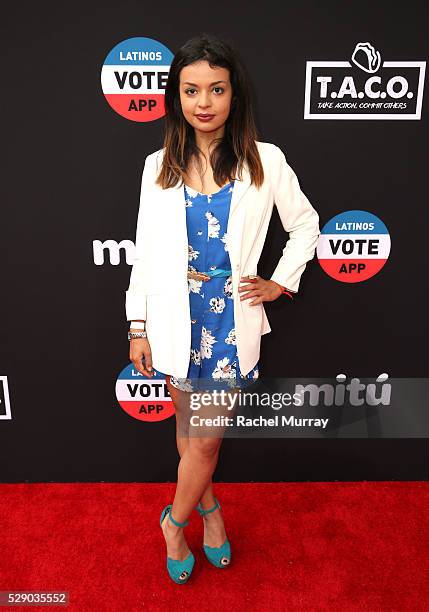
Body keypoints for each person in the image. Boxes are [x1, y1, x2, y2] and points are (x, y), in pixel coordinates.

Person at [125, 32, 320, 584]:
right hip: (173, 321)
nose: (203, 103)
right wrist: (137, 324)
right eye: (191, 90)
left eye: (216, 89)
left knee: (205, 441)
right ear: (176, 97)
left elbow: (306, 225)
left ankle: (173, 521)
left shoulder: (266, 160)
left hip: (229, 323)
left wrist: (279, 282)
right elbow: (142, 250)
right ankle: (210, 512)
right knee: (190, 438)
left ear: (234, 95)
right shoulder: (156, 165)